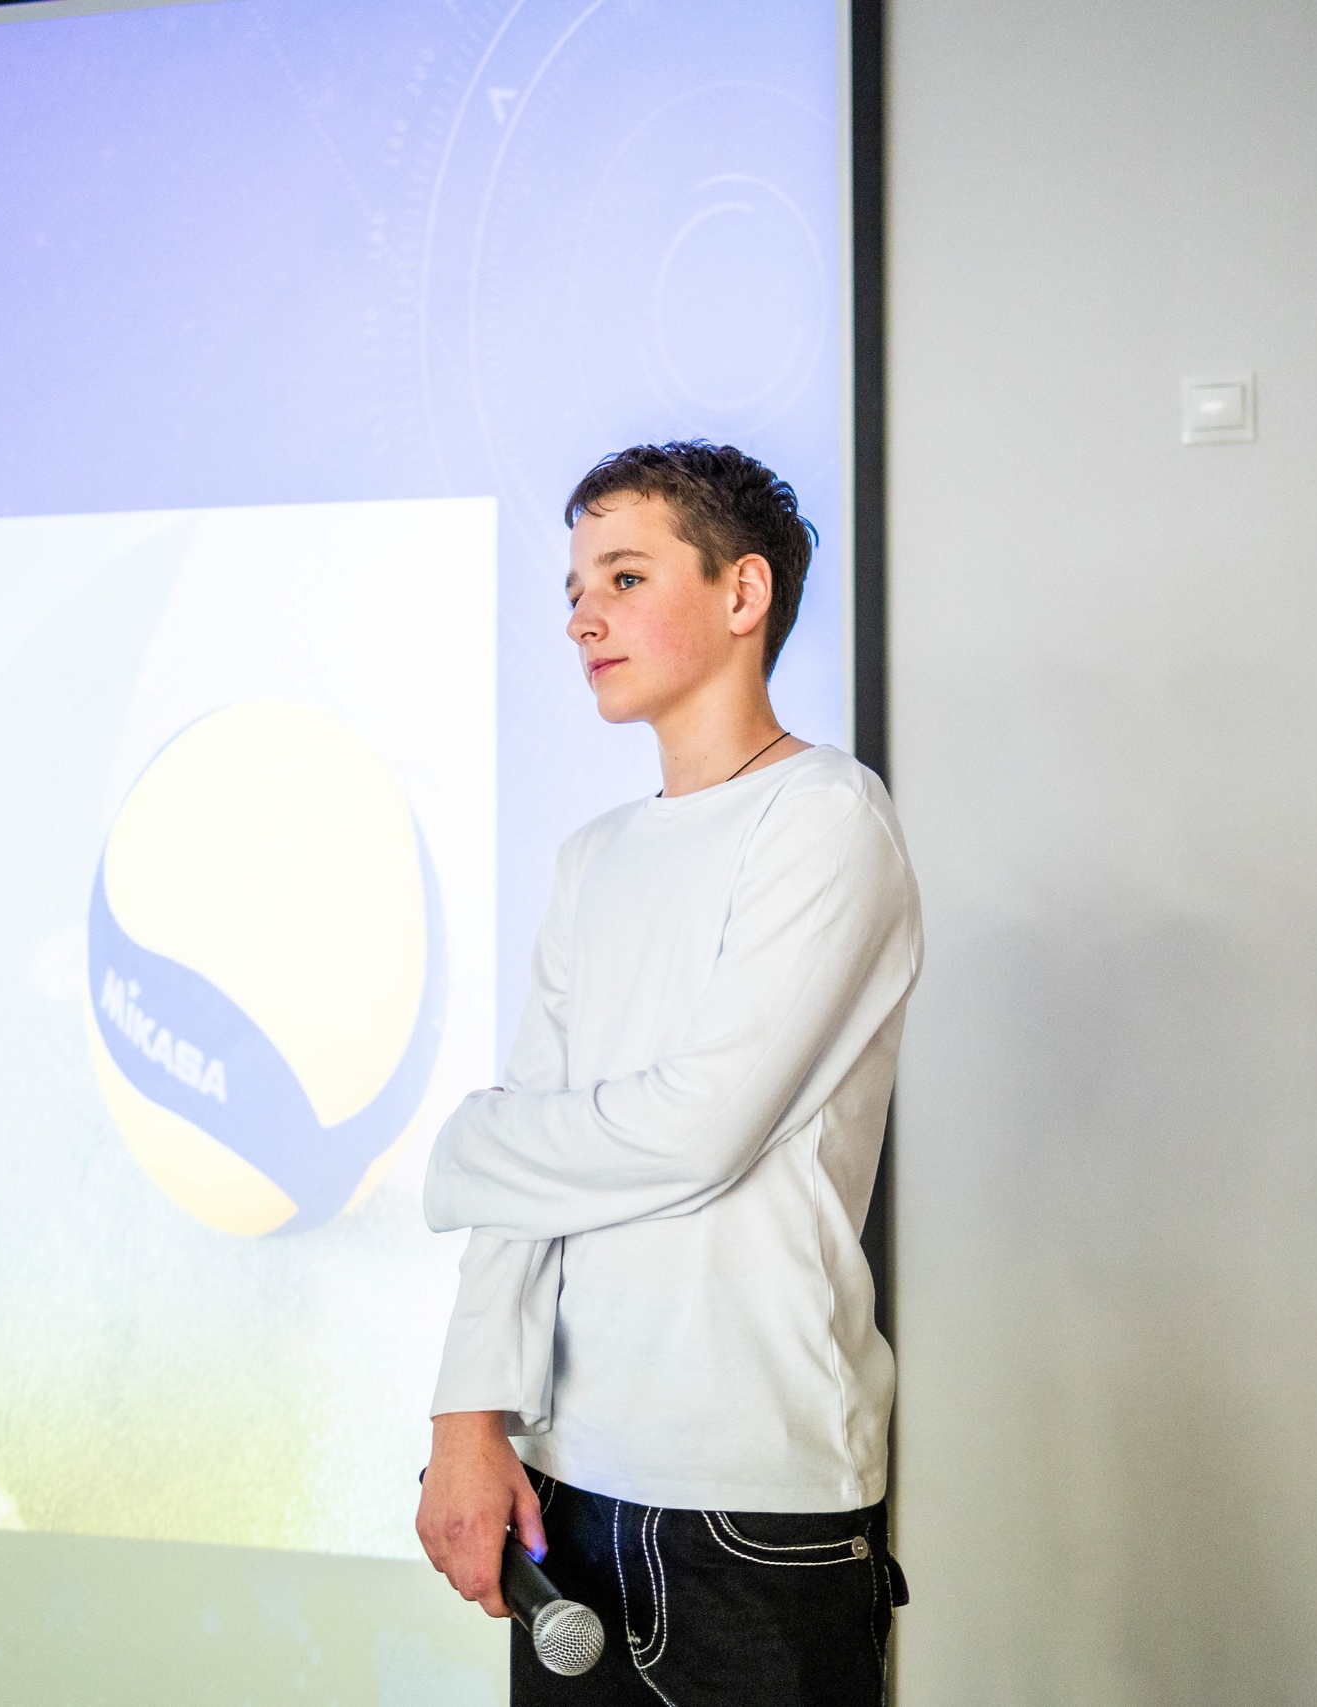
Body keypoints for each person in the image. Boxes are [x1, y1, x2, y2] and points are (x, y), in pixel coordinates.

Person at [413, 441, 921, 1706]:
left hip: (751, 1508)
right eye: (575, 588)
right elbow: (534, 1188)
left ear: (742, 593)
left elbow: (697, 1132)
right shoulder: (593, 857)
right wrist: (466, 1420)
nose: (583, 617)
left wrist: (471, 1146)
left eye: (625, 578)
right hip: (566, 1484)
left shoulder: (828, 818)